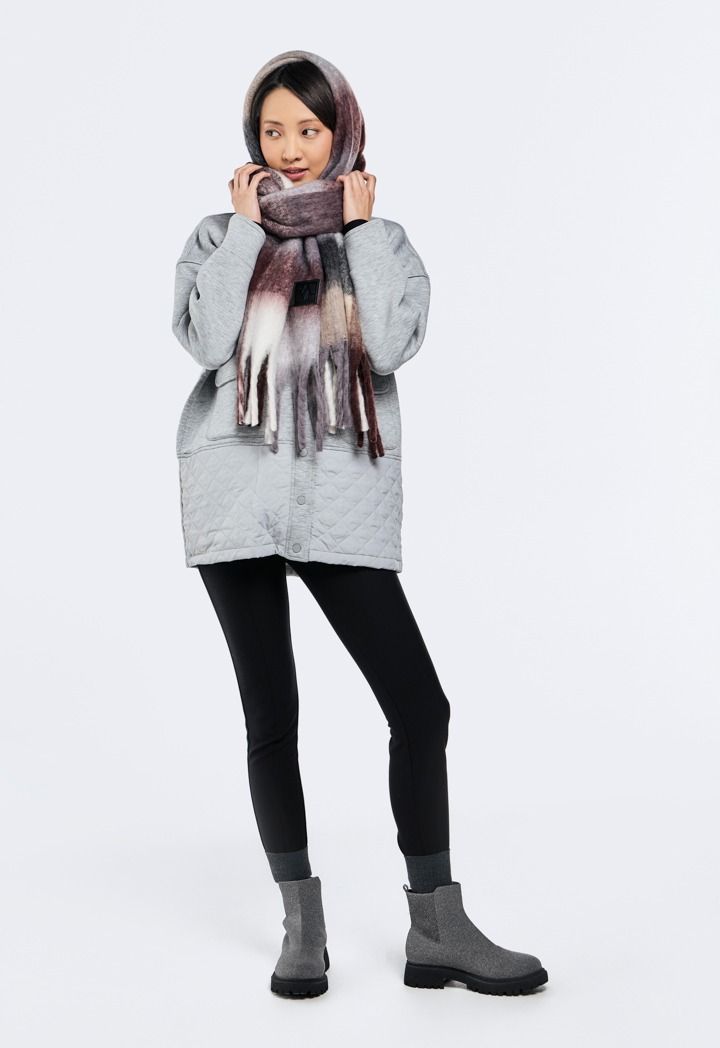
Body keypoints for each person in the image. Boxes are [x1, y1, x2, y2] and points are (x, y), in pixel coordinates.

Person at [171, 49, 548, 1000]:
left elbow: (389, 346)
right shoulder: (216, 235)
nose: (291, 149)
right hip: (236, 490)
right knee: (273, 715)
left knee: (419, 708)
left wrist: (365, 233)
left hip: (337, 493)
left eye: (309, 128)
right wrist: (247, 233)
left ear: (342, 133)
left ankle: (437, 930)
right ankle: (302, 927)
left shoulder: (382, 239)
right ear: (251, 141)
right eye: (272, 131)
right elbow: (207, 343)